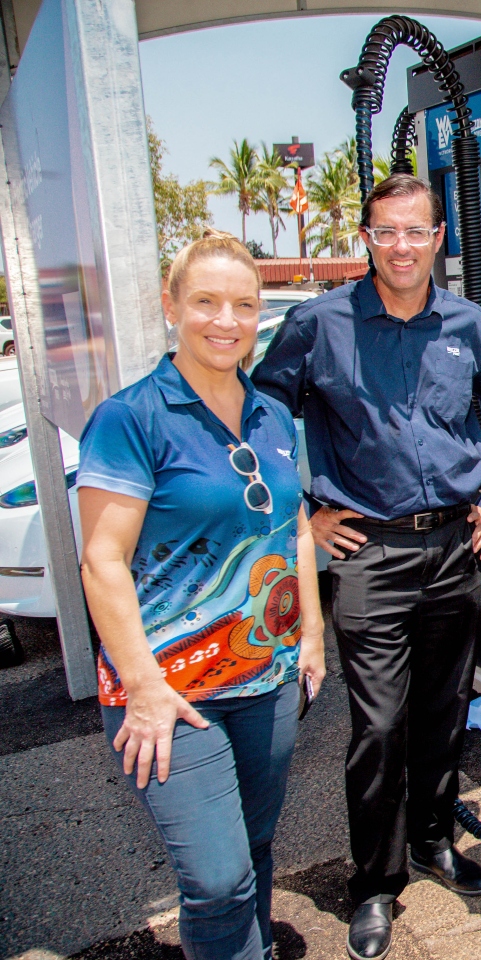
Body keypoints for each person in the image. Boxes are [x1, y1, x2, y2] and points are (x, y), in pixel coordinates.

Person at [251, 174, 481, 960]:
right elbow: (258, 417)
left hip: (456, 548)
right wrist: (304, 514)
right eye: (386, 232)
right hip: (367, 554)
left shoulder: (468, 323)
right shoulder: (318, 323)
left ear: (439, 239)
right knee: (377, 726)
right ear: (366, 238)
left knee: (444, 710)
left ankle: (434, 842)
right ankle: (374, 882)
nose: (402, 247)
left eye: (416, 232)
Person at [77, 230, 326, 960]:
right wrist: (143, 688)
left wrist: (312, 637)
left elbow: (295, 529)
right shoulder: (131, 418)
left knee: (253, 847)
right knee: (216, 879)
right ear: (171, 306)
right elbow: (101, 561)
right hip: (168, 690)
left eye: (244, 305)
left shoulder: (271, 414)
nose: (227, 321)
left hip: (267, 676)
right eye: (206, 302)